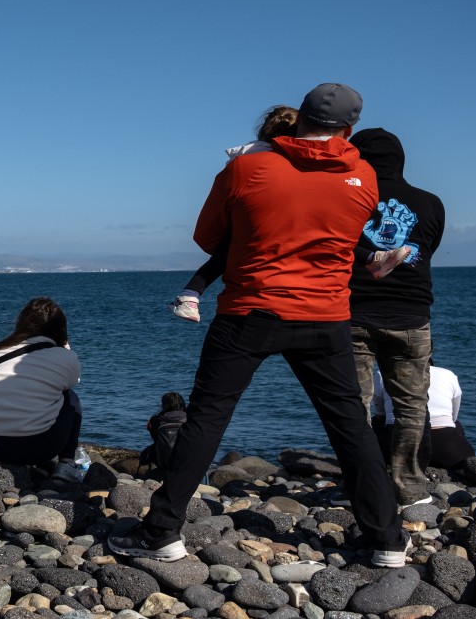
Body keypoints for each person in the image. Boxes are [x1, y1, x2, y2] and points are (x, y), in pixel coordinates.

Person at [109, 84, 409, 568]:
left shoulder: (247, 167)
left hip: (250, 310)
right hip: (326, 316)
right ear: (349, 128)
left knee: (207, 419)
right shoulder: (363, 175)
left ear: (301, 116)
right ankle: (388, 540)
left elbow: (208, 236)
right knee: (351, 428)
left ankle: (162, 531)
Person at [169, 107, 409, 323]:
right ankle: (190, 294)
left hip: (256, 260)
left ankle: (190, 294)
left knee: (225, 254)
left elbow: (206, 234)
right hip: (310, 302)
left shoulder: (251, 158)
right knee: (326, 236)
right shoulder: (271, 159)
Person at [347, 127, 445, 507]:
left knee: (353, 403)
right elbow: (428, 247)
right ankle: (409, 486)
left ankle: (362, 484)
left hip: (352, 312)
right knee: (411, 404)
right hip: (411, 314)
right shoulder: (430, 202)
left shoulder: (348, 199)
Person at [0, 297, 83, 482]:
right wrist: (65, 346)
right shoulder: (65, 356)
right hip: (34, 448)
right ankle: (66, 464)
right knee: (70, 397)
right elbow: (72, 381)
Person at [372, 365, 474, 470]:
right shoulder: (448, 374)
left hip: (398, 445)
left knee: (376, 421)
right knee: (455, 423)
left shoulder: (383, 374)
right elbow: (453, 417)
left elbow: (380, 413)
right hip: (449, 450)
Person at [139, 391, 187, 481]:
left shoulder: (155, 420)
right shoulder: (191, 419)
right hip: (186, 460)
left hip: (164, 461)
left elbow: (154, 437)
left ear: (164, 405)